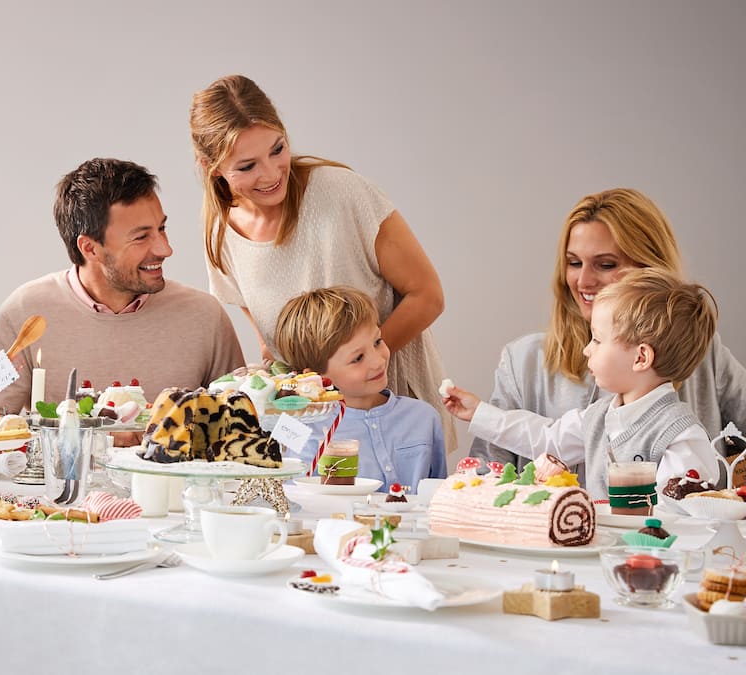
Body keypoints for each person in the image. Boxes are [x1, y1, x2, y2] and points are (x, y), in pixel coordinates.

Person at [189, 74, 454, 451]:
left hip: (390, 410)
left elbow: (427, 296)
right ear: (211, 167)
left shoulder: (342, 194)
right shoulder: (221, 234)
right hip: (312, 431)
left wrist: (359, 365)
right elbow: (272, 347)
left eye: (277, 149)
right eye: (247, 166)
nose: (270, 174)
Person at [471, 188, 746, 469]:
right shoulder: (522, 362)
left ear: (650, 271)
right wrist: (478, 414)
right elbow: (489, 469)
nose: (583, 281)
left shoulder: (704, 356)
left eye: (605, 264)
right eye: (574, 263)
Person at [0, 157, 244, 413]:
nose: (165, 249)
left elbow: (243, 425)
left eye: (162, 228)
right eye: (141, 237)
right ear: (90, 248)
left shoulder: (205, 316)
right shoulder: (24, 315)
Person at [443, 268, 722, 499]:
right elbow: (546, 438)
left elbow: (680, 519)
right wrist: (479, 412)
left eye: (597, 340)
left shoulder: (680, 436)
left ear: (641, 357)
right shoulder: (599, 416)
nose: (587, 349)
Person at [273, 286, 446, 492]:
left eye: (377, 342)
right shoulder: (301, 426)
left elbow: (439, 496)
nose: (377, 361)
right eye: (357, 358)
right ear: (317, 377)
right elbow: (294, 499)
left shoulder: (423, 418)